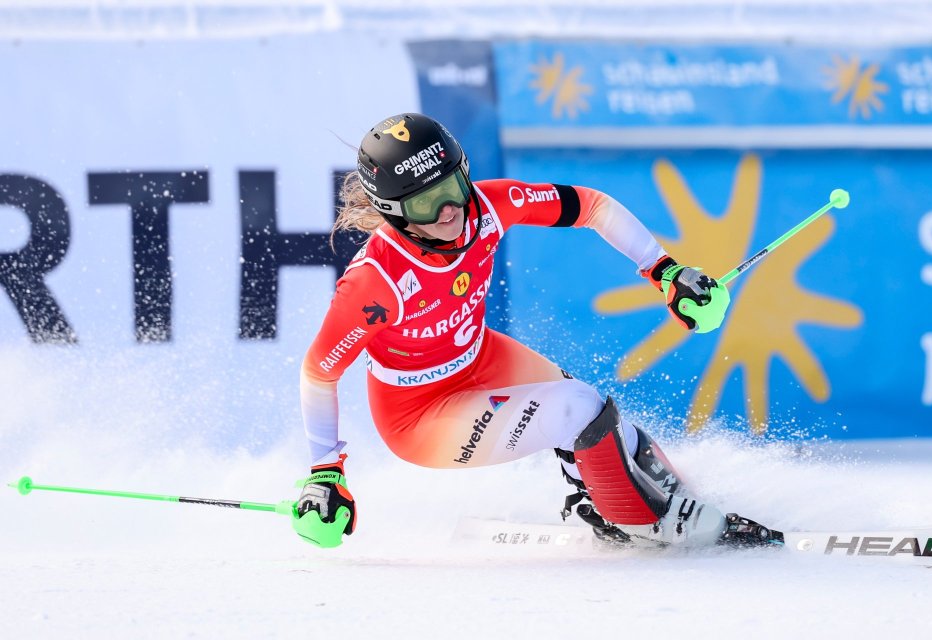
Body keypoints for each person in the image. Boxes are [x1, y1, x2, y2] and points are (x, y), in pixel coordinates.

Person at [291, 112, 782, 550]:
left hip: (479, 357)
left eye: (451, 189)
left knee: (603, 418)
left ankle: (637, 501)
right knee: (578, 410)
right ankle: (644, 521)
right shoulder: (375, 281)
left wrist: (665, 271)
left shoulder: (487, 205)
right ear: (395, 212)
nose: (449, 214)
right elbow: (319, 374)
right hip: (419, 415)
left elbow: (592, 206)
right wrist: (325, 472)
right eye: (425, 205)